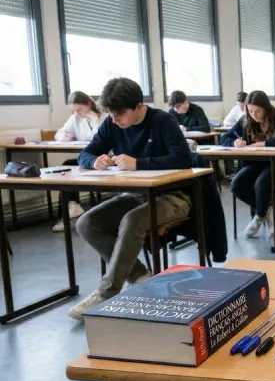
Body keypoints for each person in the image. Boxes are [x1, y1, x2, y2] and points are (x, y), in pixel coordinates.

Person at [69, 78, 193, 320]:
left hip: (174, 197)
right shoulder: (112, 124)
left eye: (120, 114)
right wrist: (93, 161)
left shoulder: (163, 121)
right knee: (86, 222)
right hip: (136, 195)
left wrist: (139, 163)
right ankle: (139, 276)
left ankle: (106, 293)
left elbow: (183, 160)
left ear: (139, 106)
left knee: (132, 220)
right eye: (112, 115)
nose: (115, 120)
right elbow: (85, 152)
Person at [221, 91, 275, 237]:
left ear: (266, 108)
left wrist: (265, 143)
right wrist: (234, 142)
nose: (254, 115)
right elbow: (225, 137)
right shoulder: (246, 119)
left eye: (258, 111)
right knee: (236, 185)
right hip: (255, 163)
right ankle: (265, 211)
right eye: (250, 111)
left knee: (261, 183)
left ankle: (258, 217)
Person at [51, 91, 106, 232]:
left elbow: (100, 138)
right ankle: (71, 207)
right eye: (74, 110)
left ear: (88, 104)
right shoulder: (75, 118)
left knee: (70, 165)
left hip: (103, 158)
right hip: (87, 157)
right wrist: (64, 137)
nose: (77, 113)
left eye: (79, 109)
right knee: (66, 166)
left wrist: (94, 119)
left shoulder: (102, 116)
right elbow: (59, 133)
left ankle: (72, 210)